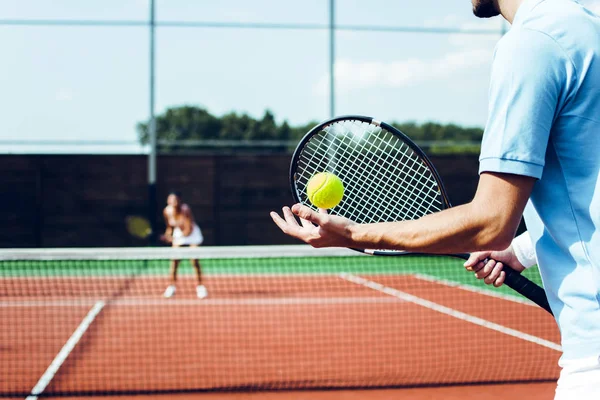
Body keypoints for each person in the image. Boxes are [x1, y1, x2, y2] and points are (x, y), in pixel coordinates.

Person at [270, 0, 600, 398]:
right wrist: (524, 250)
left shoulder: (531, 44)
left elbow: (490, 223)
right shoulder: (588, 31)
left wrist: (355, 233)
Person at [160, 191, 207, 299]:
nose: (172, 202)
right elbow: (169, 227)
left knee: (194, 260)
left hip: (192, 235)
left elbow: (188, 229)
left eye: (175, 200)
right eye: (170, 199)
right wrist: (167, 235)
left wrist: (176, 238)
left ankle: (200, 287)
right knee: (174, 261)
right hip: (178, 234)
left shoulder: (185, 209)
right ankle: (171, 287)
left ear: (179, 201)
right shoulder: (167, 211)